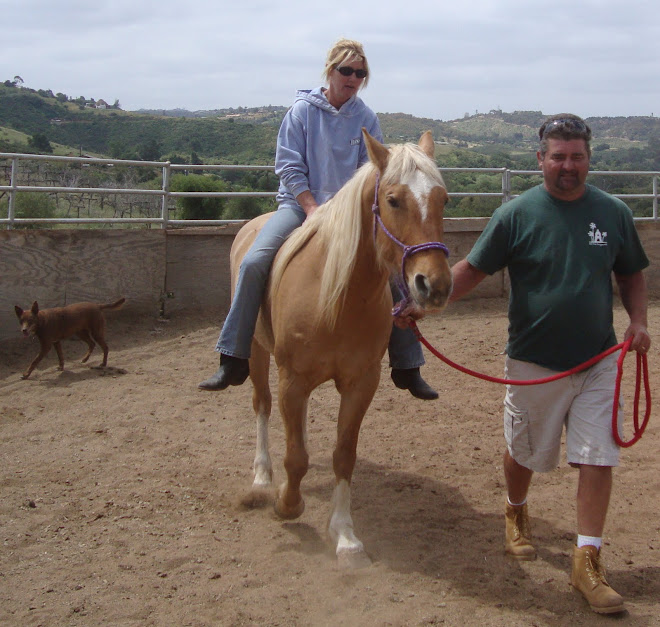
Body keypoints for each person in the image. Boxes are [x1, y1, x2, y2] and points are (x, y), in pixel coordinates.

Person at [450, 114, 650, 614]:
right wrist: (423, 302)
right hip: (534, 361)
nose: (568, 166)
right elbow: (472, 271)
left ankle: (588, 561)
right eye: (558, 156)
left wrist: (639, 322)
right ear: (540, 159)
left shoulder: (613, 212)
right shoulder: (515, 215)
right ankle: (516, 511)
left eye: (576, 157)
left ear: (589, 159)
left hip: (600, 358)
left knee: (597, 455)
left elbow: (631, 274)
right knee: (525, 452)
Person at [199, 38, 437, 400]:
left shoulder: (366, 118)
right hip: (300, 206)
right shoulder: (301, 112)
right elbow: (290, 166)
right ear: (330, 70)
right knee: (254, 261)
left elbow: (378, 174)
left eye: (360, 72)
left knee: (392, 270)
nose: (353, 77)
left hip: (351, 216)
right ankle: (233, 355)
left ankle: (407, 365)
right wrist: (311, 208)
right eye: (346, 70)